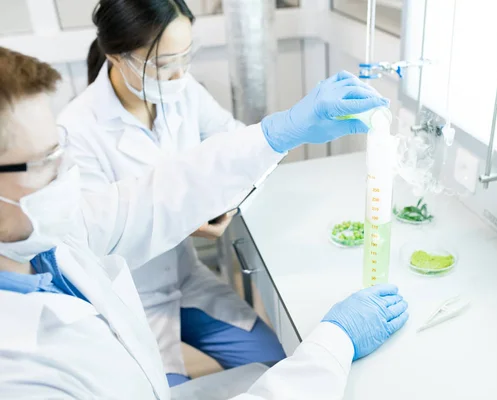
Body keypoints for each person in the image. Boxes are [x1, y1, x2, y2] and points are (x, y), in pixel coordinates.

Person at [0, 47, 409, 399]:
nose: (66, 173)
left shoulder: (43, 242)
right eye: (44, 163)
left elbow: (154, 197)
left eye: (61, 150)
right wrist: (332, 344)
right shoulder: (18, 377)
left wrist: (278, 132)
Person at [58, 0, 284, 383]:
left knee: (275, 360)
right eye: (163, 64)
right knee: (163, 391)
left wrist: (226, 198)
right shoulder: (76, 131)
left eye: (185, 57)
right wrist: (185, 218)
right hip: (130, 296)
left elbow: (232, 141)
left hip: (184, 277)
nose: (179, 74)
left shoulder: (181, 89)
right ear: (116, 56)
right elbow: (97, 241)